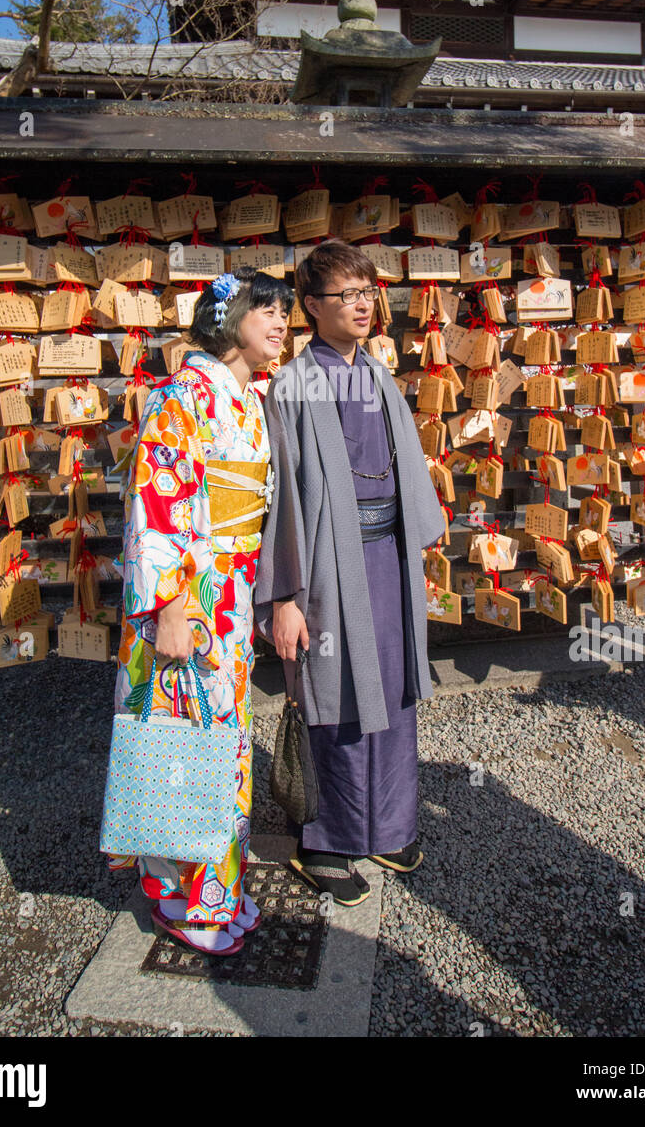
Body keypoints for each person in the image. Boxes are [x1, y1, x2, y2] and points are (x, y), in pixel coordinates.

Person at [106, 267, 292, 954]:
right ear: (227, 317)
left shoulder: (244, 397)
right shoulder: (183, 397)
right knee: (188, 739)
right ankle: (184, 903)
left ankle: (221, 890)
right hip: (192, 590)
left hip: (231, 588)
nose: (279, 324)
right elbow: (159, 507)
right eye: (266, 311)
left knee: (224, 742)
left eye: (284, 315)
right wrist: (169, 607)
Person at [254, 239, 445, 906]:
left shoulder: (376, 372)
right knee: (334, 690)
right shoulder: (294, 384)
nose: (362, 306)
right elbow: (279, 500)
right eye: (346, 295)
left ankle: (386, 825)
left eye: (368, 293)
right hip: (326, 565)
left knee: (390, 686)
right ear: (311, 306)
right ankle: (326, 839)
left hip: (386, 559)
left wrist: (420, 534)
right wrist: (284, 595)